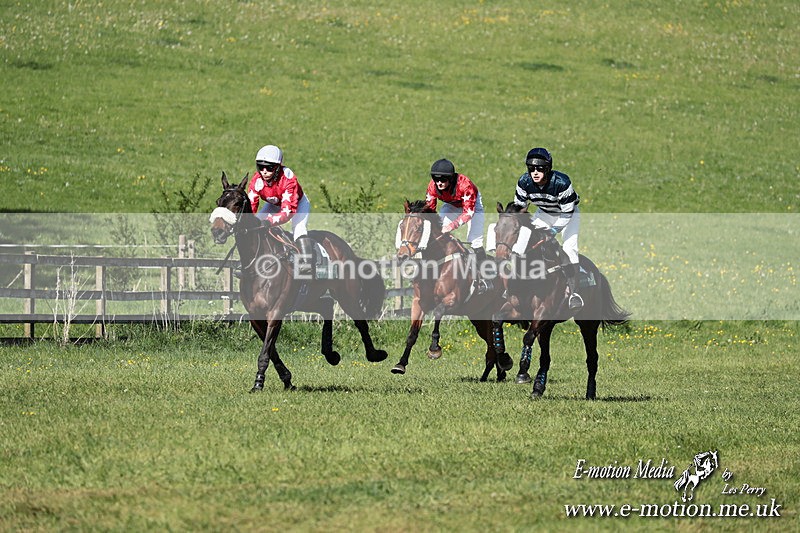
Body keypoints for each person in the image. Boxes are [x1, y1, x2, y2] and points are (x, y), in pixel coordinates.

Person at [513, 147, 583, 310]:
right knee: (523, 241)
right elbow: (519, 209)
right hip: (544, 213)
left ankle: (574, 293)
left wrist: (553, 231)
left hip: (568, 215)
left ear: (547, 169)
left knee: (569, 248)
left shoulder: (562, 182)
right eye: (531, 169)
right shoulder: (524, 182)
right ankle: (515, 283)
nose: (535, 173)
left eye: (540, 169)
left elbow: (567, 213)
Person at [247, 144, 314, 276]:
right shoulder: (257, 180)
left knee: (299, 229)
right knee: (254, 225)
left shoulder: (288, 179)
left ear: (278, 167)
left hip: (297, 205)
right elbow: (251, 206)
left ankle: (306, 263)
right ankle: (249, 261)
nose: (264, 171)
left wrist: (270, 221)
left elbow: (288, 211)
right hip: (273, 204)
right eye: (260, 167)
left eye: (269, 167)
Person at [424, 158, 486, 259]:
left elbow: (468, 213)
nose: (439, 183)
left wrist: (451, 226)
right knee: (439, 231)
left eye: (443, 180)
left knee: (475, 242)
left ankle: (485, 266)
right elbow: (429, 211)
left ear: (451, 178)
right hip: (452, 205)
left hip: (473, 206)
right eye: (436, 179)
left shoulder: (465, 185)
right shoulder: (432, 186)